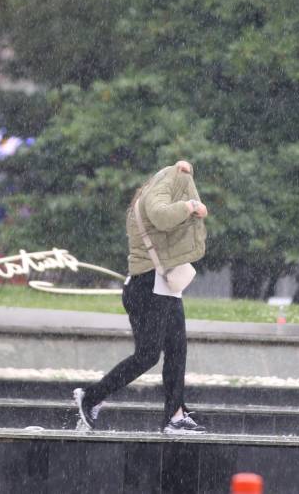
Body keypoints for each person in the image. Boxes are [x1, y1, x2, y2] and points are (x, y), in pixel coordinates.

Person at [74, 159, 209, 434]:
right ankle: (91, 396)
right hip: (148, 285)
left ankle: (175, 415)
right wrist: (190, 206)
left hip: (160, 285)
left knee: (176, 350)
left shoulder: (155, 190)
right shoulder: (162, 187)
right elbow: (161, 214)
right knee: (148, 355)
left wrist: (191, 210)